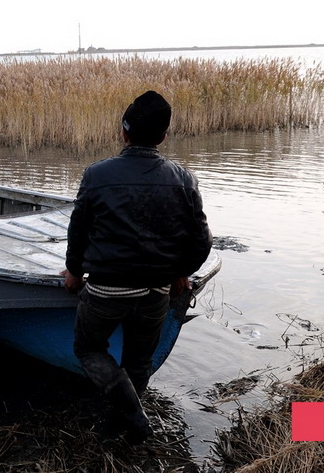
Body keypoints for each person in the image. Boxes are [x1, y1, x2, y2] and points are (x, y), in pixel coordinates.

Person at [62, 90, 212, 444]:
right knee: (138, 363)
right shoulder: (183, 178)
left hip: (106, 290)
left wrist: (73, 271)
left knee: (88, 348)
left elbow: (78, 230)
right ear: (163, 137)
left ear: (123, 132)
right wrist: (180, 272)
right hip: (157, 291)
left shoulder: (97, 174)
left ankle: (132, 415)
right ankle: (123, 429)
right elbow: (202, 242)